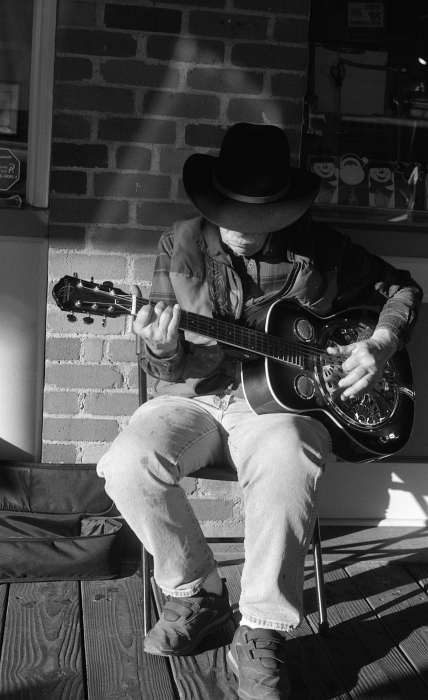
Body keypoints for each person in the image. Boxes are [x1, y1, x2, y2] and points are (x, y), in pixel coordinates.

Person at [97, 123, 422, 700]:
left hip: (278, 409)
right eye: (229, 217)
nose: (241, 232)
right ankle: (197, 594)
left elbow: (402, 289)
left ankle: (261, 630)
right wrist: (162, 347)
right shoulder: (180, 245)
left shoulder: (322, 248)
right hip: (195, 398)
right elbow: (162, 369)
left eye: (258, 221)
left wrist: (379, 343)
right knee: (127, 463)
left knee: (289, 454)